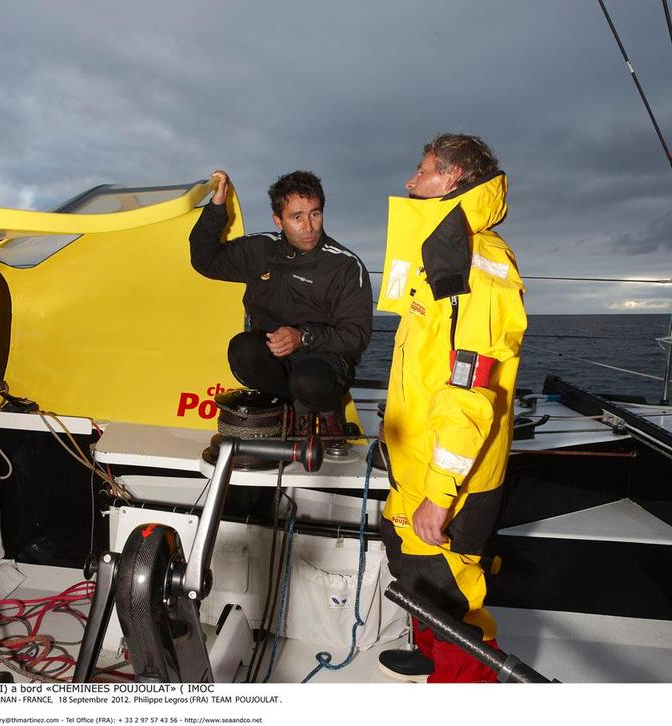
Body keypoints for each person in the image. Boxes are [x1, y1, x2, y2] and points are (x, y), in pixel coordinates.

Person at [376, 134, 526, 682]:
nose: (410, 183)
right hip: (417, 459)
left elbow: (470, 392)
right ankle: (429, 649)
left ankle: (466, 684)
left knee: (452, 592)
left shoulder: (476, 265)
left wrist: (440, 495)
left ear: (454, 178)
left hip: (449, 477)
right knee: (415, 568)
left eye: (422, 172)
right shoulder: (444, 252)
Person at [189, 169, 372, 435]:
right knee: (242, 350)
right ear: (278, 220)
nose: (309, 227)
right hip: (276, 356)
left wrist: (303, 337)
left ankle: (328, 413)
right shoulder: (260, 249)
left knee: (309, 380)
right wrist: (217, 207)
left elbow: (357, 336)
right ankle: (294, 411)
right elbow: (205, 260)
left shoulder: (344, 265)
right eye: (296, 217)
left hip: (324, 360)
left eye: (315, 213)